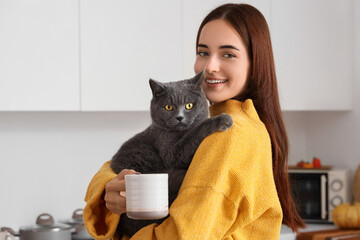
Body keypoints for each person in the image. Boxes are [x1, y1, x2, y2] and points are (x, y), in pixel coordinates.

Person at [83, 3, 305, 240]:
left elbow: (182, 235)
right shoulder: (241, 124)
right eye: (203, 52)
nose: (210, 67)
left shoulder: (229, 132)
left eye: (228, 54)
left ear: (255, 61)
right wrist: (110, 187)